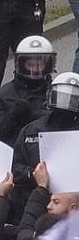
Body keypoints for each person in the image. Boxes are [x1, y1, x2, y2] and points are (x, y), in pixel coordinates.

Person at [12, 72, 79, 202]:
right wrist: (33, 174)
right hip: (36, 198)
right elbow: (15, 167)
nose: (65, 105)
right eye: (61, 97)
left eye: (73, 100)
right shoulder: (31, 130)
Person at [0, 35, 57, 146]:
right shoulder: (3, 95)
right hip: (15, 153)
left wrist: (39, 116)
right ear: (21, 64)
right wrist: (11, 116)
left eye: (39, 65)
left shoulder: (57, 93)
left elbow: (68, 127)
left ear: (48, 65)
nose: (35, 69)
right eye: (30, 65)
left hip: (50, 151)